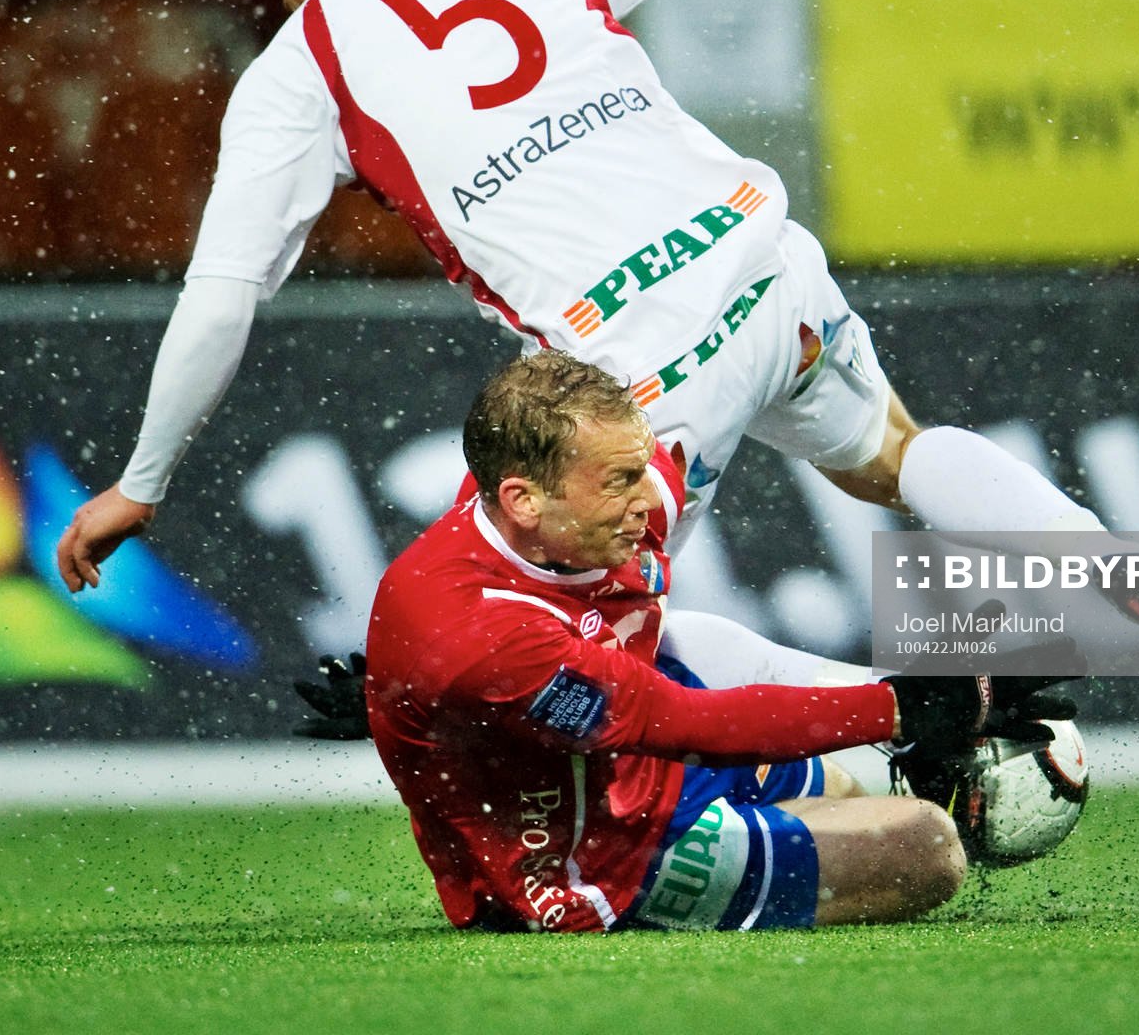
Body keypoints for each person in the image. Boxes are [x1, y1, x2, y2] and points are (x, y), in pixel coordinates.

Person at [53, 0, 1139, 675]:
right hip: (758, 255)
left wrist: (142, 480)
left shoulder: (302, 67)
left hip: (638, 365)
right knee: (891, 453)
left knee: (585, 648)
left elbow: (222, 300)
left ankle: (897, 734)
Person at [335, 351, 1080, 931]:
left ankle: (787, 822)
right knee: (929, 850)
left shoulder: (578, 505)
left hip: (639, 766)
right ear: (522, 499)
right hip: (595, 860)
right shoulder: (481, 634)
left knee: (713, 664)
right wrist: (904, 709)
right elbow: (685, 726)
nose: (649, 502)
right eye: (619, 480)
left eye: (642, 466)